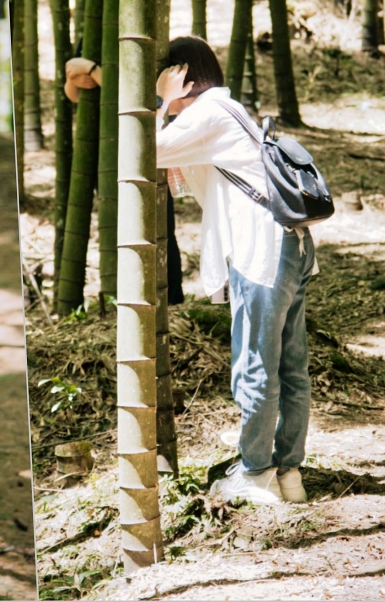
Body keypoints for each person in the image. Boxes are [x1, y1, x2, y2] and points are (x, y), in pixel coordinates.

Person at [153, 36, 316, 504]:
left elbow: (151, 150)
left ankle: (256, 473)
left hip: (261, 251)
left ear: (182, 74)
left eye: (165, 75)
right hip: (292, 244)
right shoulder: (231, 111)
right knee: (290, 367)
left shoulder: (206, 113)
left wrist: (165, 101)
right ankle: (289, 474)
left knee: (256, 365)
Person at [65, 55, 185, 305]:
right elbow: (74, 95)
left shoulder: (142, 46)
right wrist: (75, 79)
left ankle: (169, 298)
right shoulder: (87, 39)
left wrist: (94, 69)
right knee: (118, 222)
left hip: (142, 142)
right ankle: (125, 296)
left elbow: (136, 101)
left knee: (159, 223)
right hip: (103, 149)